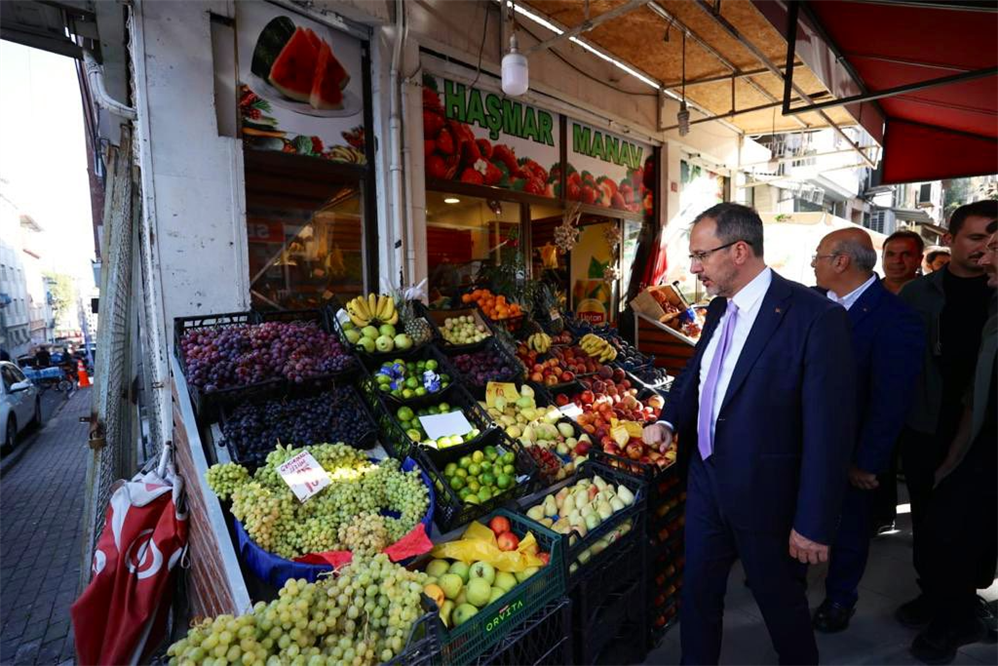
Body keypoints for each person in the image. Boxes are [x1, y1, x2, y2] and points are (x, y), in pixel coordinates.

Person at [643, 203, 856, 665]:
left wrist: (813, 523)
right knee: (697, 596)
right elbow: (697, 375)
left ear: (739, 251)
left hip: (766, 496)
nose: (694, 268)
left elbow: (829, 432)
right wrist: (667, 419)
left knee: (780, 606)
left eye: (701, 256)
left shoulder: (814, 318)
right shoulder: (719, 309)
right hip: (705, 482)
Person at [808, 228, 924, 633]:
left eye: (819, 257)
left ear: (841, 261)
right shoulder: (810, 302)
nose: (814, 264)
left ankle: (840, 598)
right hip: (803, 442)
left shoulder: (896, 319)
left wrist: (867, 461)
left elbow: (891, 399)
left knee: (850, 527)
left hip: (852, 452)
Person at [894, 201, 998, 634]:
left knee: (971, 524)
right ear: (950, 240)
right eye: (976, 240)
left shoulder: (996, 291)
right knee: (928, 517)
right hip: (927, 423)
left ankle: (961, 604)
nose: (984, 252)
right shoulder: (918, 294)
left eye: (992, 243)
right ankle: (934, 592)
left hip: (982, 429)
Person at [882, 230, 925, 295]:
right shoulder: (867, 291)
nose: (897, 260)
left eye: (906, 255)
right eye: (891, 254)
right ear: (882, 257)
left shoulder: (935, 295)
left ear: (919, 260)